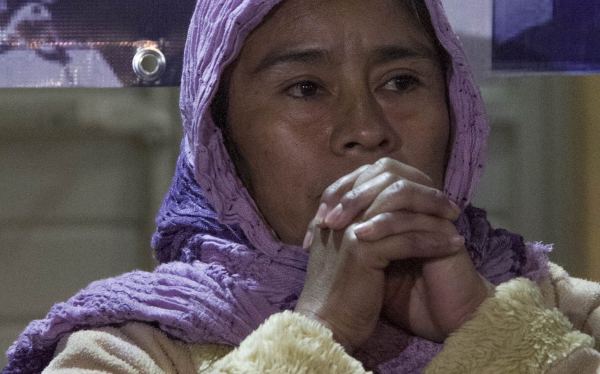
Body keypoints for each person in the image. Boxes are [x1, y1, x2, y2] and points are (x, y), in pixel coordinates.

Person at [4, 0, 600, 373]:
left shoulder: (569, 313)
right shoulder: (129, 351)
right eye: (306, 89)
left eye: (401, 81)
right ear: (221, 137)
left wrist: (482, 320)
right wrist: (319, 331)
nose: (366, 131)